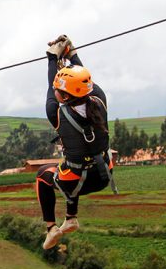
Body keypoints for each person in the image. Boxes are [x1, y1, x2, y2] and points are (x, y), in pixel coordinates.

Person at [37, 35, 115, 250]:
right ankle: (70, 218)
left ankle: (51, 228)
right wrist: (71, 53)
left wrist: (52, 59)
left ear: (64, 96)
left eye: (59, 90)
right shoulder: (100, 100)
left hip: (75, 182)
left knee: (44, 175)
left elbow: (51, 86)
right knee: (73, 164)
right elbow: (85, 82)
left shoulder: (56, 113)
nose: (55, 91)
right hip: (103, 176)